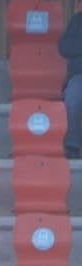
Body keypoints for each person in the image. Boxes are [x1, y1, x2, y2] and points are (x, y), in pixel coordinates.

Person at [61, 9, 82, 159]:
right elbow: (64, 47)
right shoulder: (77, 21)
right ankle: (72, 145)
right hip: (79, 77)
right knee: (73, 94)